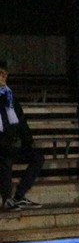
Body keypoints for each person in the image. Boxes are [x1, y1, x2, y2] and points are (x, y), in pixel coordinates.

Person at [0, 59, 45, 210]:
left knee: (37, 157)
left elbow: (20, 121)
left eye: (5, 74)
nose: (4, 78)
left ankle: (19, 196)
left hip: (10, 144)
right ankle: (6, 199)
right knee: (5, 158)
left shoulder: (9, 97)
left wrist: (28, 140)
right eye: (0, 74)